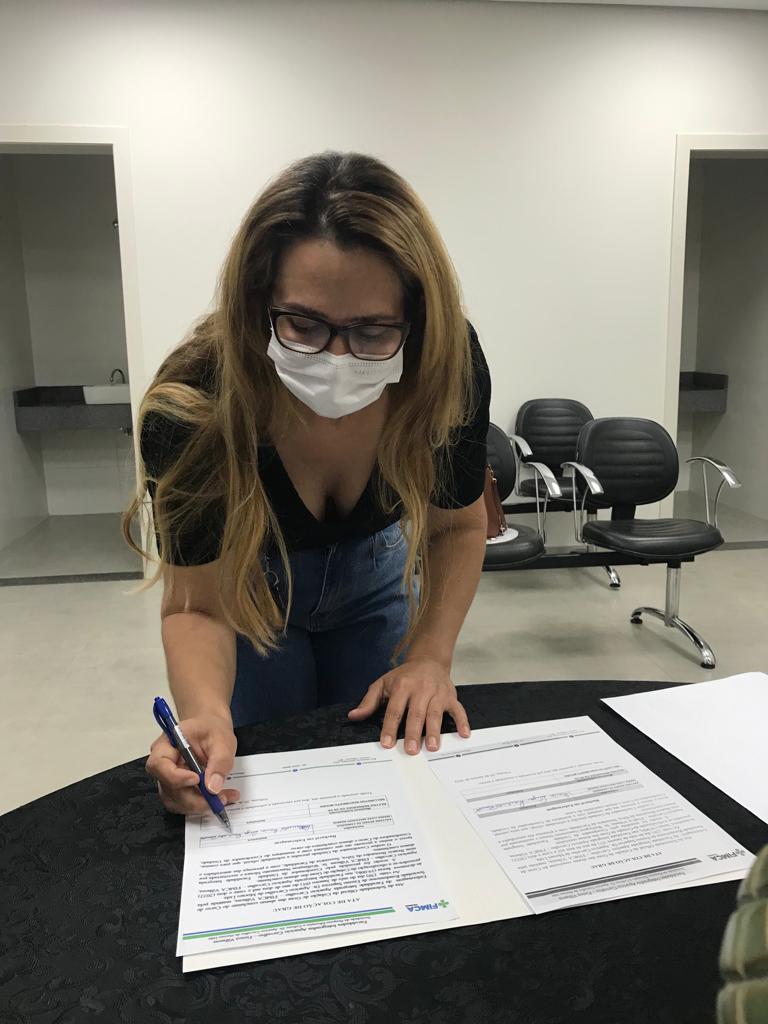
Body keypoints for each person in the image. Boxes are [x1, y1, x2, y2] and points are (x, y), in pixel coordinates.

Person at [126, 151, 491, 819]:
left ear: (416, 319)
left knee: (391, 787)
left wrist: (431, 658)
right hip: (247, 595)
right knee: (266, 784)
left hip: (379, 578)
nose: (336, 358)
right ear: (256, 305)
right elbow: (197, 607)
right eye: (303, 324)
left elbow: (457, 526)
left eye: (373, 331)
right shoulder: (195, 408)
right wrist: (204, 715)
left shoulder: (447, 365)